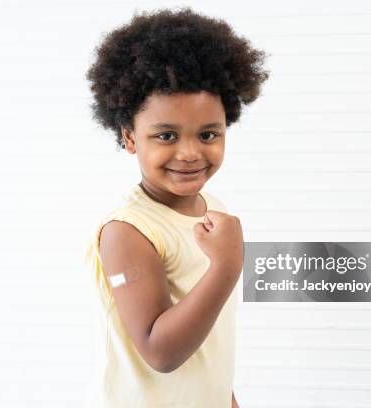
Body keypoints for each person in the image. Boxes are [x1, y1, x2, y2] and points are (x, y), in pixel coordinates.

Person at [84, 6, 269, 407]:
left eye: (208, 134)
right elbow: (161, 352)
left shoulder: (212, 209)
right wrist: (227, 266)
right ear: (130, 137)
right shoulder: (128, 231)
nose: (189, 153)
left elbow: (206, 345)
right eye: (166, 135)